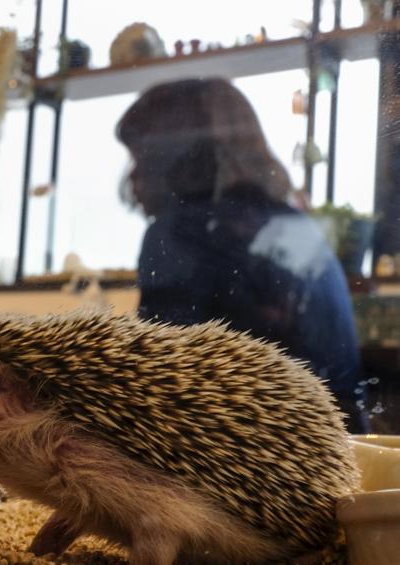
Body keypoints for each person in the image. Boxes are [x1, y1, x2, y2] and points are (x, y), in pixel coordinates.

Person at [116, 78, 370, 433]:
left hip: (259, 453)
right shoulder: (297, 226)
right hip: (343, 448)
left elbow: (157, 388)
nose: (133, 176)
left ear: (175, 158)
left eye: (142, 156)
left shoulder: (179, 233)